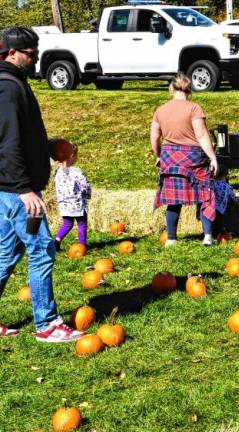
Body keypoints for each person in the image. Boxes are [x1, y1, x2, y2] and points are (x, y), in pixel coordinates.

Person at [0, 27, 83, 342]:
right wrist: (24, 189)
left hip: (10, 188)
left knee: (7, 252)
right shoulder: (7, 88)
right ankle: (47, 324)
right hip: (15, 190)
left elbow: (20, 138)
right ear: (11, 53)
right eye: (30, 53)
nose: (35, 58)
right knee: (43, 248)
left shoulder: (15, 83)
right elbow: (7, 145)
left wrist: (49, 147)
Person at [151, 73, 219, 246]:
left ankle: (172, 239)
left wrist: (158, 155)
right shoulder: (194, 108)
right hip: (193, 157)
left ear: (171, 88)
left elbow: (154, 137)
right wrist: (213, 158)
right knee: (206, 194)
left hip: (170, 157)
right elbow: (202, 135)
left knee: (173, 198)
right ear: (189, 89)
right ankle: (208, 236)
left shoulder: (161, 109)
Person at [54, 143, 91, 251]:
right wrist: (87, 194)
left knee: (67, 224)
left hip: (64, 204)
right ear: (72, 156)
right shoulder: (76, 171)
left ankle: (56, 241)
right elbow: (85, 185)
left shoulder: (58, 171)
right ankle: (82, 245)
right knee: (82, 224)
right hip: (77, 203)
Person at [211, 164, 236, 236]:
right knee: (220, 223)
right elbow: (233, 196)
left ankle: (210, 233)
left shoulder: (212, 184)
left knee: (211, 222)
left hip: (212, 207)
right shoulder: (227, 186)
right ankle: (219, 234)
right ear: (225, 176)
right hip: (221, 209)